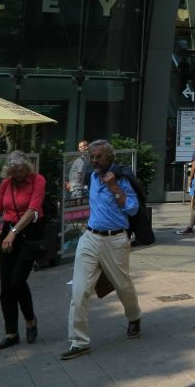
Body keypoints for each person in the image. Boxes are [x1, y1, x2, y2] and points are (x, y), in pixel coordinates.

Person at [61, 140, 141, 360]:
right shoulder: (92, 177)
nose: (94, 161)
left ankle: (134, 317)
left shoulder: (122, 179)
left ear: (110, 157)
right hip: (90, 237)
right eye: (92, 156)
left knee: (123, 285)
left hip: (115, 240)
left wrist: (115, 188)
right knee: (79, 291)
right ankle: (79, 341)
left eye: (98, 157)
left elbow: (133, 209)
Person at [0, 151, 46, 350]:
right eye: (13, 172)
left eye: (19, 171)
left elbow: (33, 210)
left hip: (28, 232)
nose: (17, 175)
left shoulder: (37, 180)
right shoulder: (7, 183)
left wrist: (13, 233)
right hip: (9, 231)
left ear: (26, 167)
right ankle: (11, 332)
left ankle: (30, 320)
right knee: (6, 287)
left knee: (17, 281)